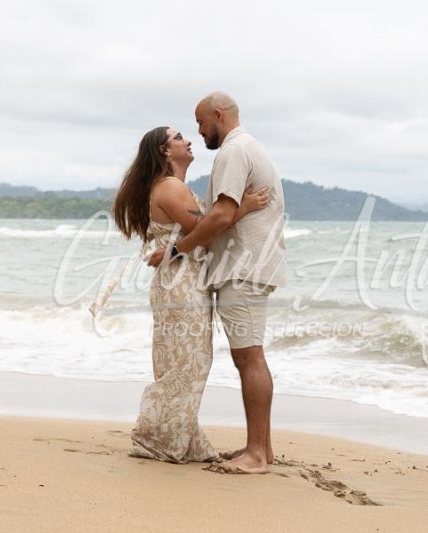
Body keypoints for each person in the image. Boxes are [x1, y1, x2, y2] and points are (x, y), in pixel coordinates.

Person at [147, 93, 287, 474]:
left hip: (242, 266)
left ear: (218, 116)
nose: (198, 131)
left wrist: (175, 250)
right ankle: (263, 448)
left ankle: (257, 455)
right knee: (249, 356)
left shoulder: (231, 152)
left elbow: (221, 215)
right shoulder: (247, 148)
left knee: (249, 357)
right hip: (249, 264)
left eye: (200, 122)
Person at [112, 125, 268, 463]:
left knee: (182, 362)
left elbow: (198, 228)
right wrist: (244, 207)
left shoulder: (171, 187)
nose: (188, 140)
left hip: (179, 282)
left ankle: (177, 437)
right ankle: (158, 437)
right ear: (165, 151)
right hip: (182, 286)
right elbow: (205, 228)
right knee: (187, 364)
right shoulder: (169, 187)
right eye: (179, 137)